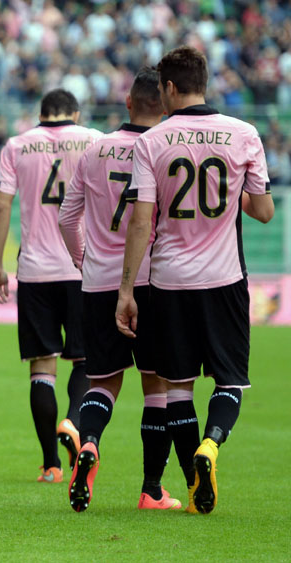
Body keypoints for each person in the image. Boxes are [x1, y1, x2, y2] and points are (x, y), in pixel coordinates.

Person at [116, 46, 274, 514]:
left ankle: (192, 484)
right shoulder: (244, 134)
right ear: (204, 82)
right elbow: (263, 211)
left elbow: (141, 221)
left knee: (178, 387)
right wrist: (233, 196)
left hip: (169, 281)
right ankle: (212, 444)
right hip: (225, 279)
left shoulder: (152, 141)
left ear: (167, 87)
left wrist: (127, 290)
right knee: (229, 382)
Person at [58, 67, 182, 511]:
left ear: (128, 103)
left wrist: (83, 260)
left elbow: (66, 219)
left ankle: (88, 442)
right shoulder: (168, 149)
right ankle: (151, 490)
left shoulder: (95, 150)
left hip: (97, 282)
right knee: (158, 388)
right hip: (153, 282)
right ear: (165, 104)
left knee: (102, 382)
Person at [0, 89, 102, 483]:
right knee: (87, 361)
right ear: (75, 111)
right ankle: (72, 420)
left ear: (42, 114)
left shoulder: (18, 144)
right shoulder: (92, 139)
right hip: (83, 267)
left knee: (42, 368)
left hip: (35, 269)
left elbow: (2, 203)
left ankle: (51, 464)